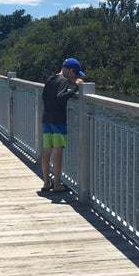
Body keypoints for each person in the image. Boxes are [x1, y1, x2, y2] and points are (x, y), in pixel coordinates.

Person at [41, 58, 84, 192]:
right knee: (58, 152)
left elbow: (44, 96)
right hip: (58, 121)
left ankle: (46, 183)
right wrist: (76, 88)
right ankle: (58, 184)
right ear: (70, 71)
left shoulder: (50, 79)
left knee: (47, 150)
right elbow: (61, 97)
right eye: (76, 74)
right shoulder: (63, 81)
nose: (75, 77)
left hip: (46, 119)